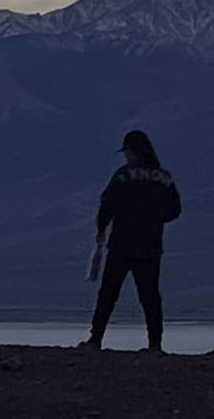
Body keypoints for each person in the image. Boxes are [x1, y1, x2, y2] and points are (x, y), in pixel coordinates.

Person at [82, 128, 183, 351]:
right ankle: (155, 345)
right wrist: (154, 219)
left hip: (121, 244)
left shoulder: (123, 176)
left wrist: (101, 229)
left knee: (108, 293)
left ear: (131, 151)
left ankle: (95, 340)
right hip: (150, 246)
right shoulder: (163, 177)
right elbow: (175, 209)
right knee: (150, 297)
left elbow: (106, 203)